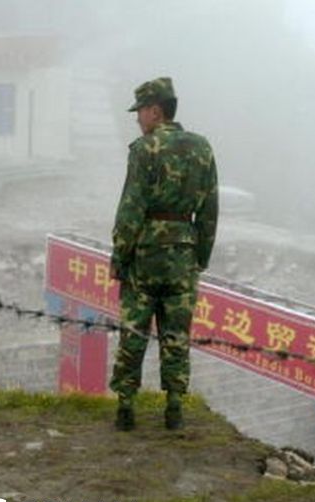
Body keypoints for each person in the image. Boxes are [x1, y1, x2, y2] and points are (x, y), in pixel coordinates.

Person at [108, 77, 218, 431]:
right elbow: (210, 211)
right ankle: (174, 407)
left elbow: (131, 209)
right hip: (183, 255)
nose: (138, 118)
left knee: (134, 330)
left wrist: (119, 256)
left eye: (140, 111)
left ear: (155, 111)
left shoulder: (144, 149)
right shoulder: (202, 148)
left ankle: (126, 407)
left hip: (146, 254)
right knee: (176, 334)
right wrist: (201, 257)